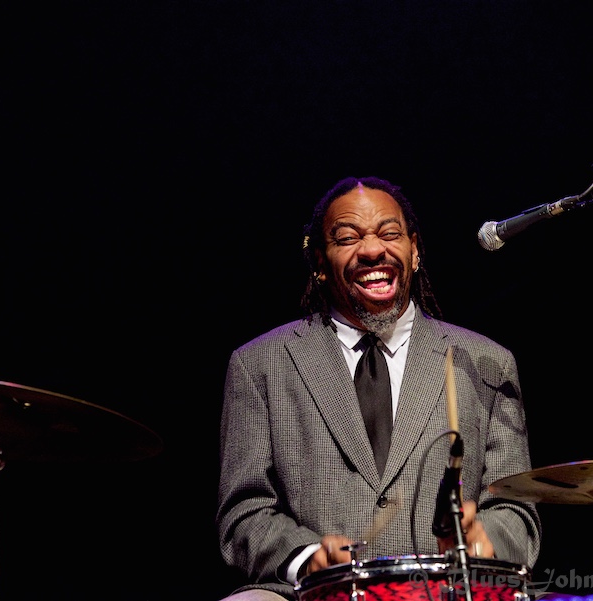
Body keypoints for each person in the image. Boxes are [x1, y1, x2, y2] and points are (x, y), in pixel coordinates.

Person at [216, 176, 541, 601]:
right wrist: (306, 555)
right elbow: (244, 513)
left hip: (450, 591)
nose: (372, 250)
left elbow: (517, 509)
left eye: (389, 234)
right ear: (319, 259)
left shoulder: (485, 362)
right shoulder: (258, 365)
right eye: (347, 238)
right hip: (310, 594)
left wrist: (484, 539)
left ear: (415, 249)